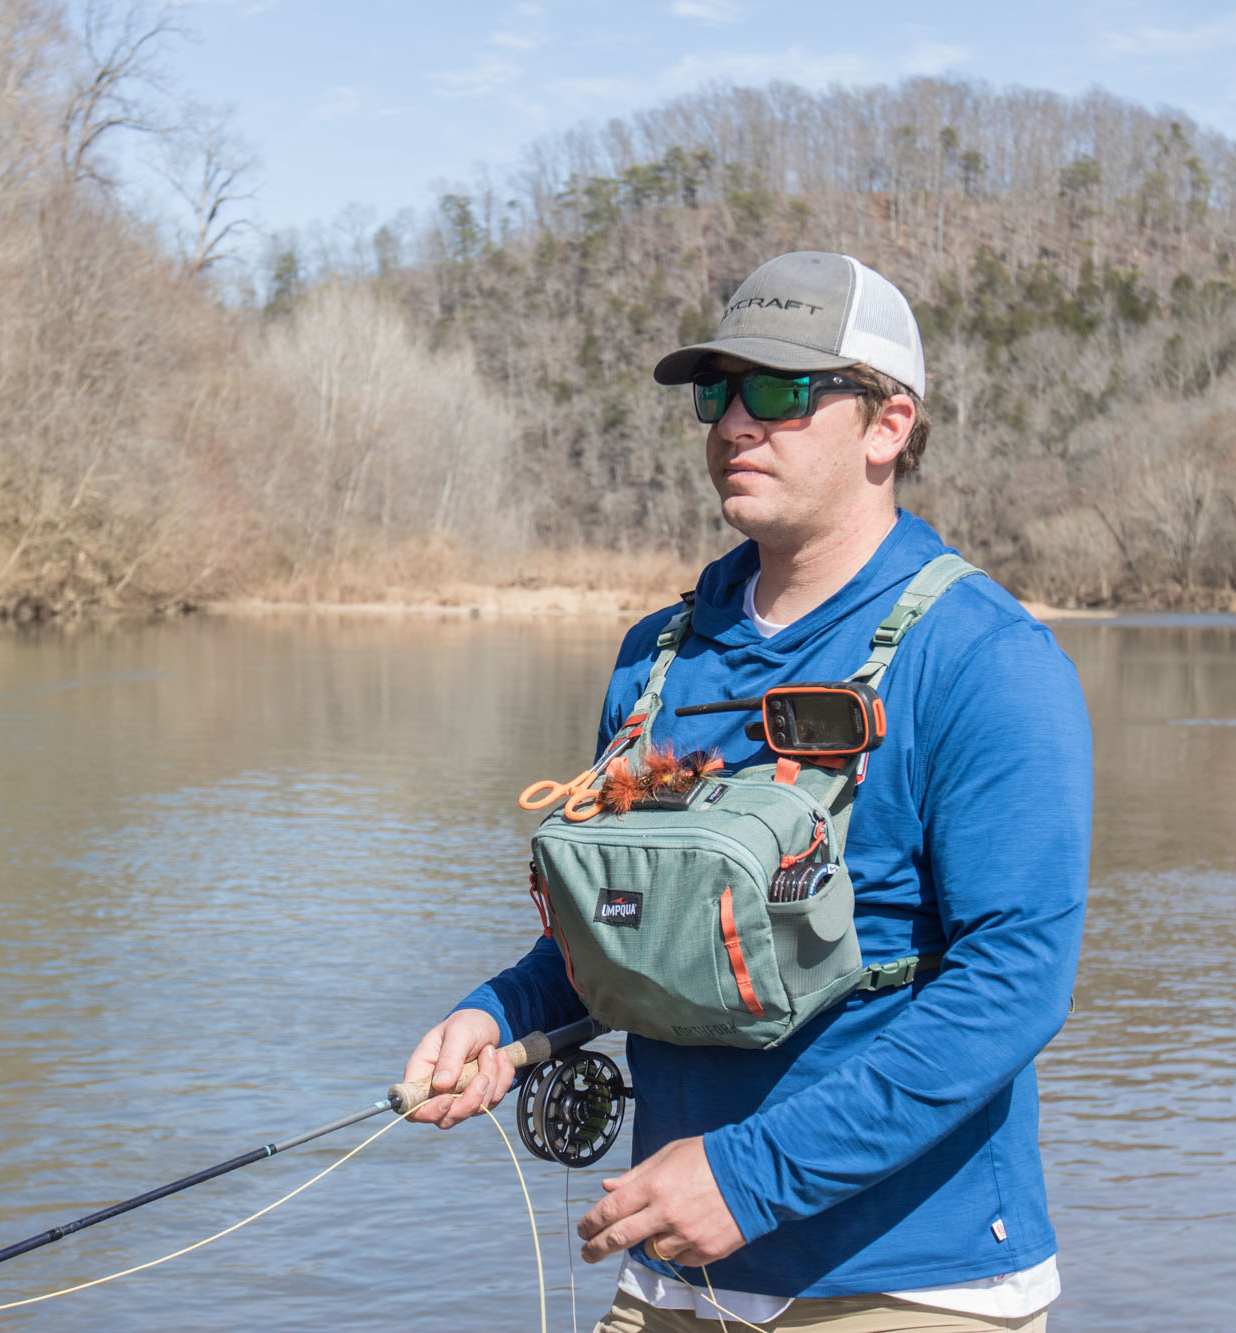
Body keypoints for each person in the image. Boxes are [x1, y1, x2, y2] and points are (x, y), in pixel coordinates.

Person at [401, 251, 1090, 1332]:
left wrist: (750, 1175)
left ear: (887, 425)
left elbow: (1013, 985)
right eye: (714, 391)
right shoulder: (655, 660)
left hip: (913, 1283)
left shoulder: (985, 660)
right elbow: (625, 932)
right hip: (670, 1277)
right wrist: (502, 1014)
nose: (733, 422)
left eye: (778, 390)